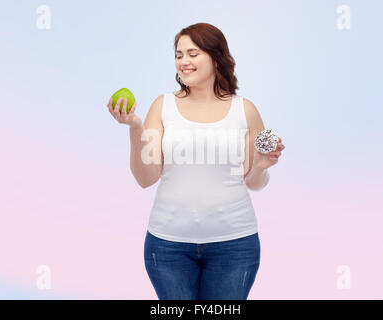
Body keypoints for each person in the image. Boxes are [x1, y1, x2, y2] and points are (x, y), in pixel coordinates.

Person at [107, 23, 285, 300]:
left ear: (216, 57)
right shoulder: (162, 106)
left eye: (193, 53)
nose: (184, 62)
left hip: (235, 245)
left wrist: (261, 166)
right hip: (167, 247)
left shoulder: (245, 110)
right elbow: (146, 179)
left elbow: (254, 183)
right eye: (179, 55)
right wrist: (134, 126)